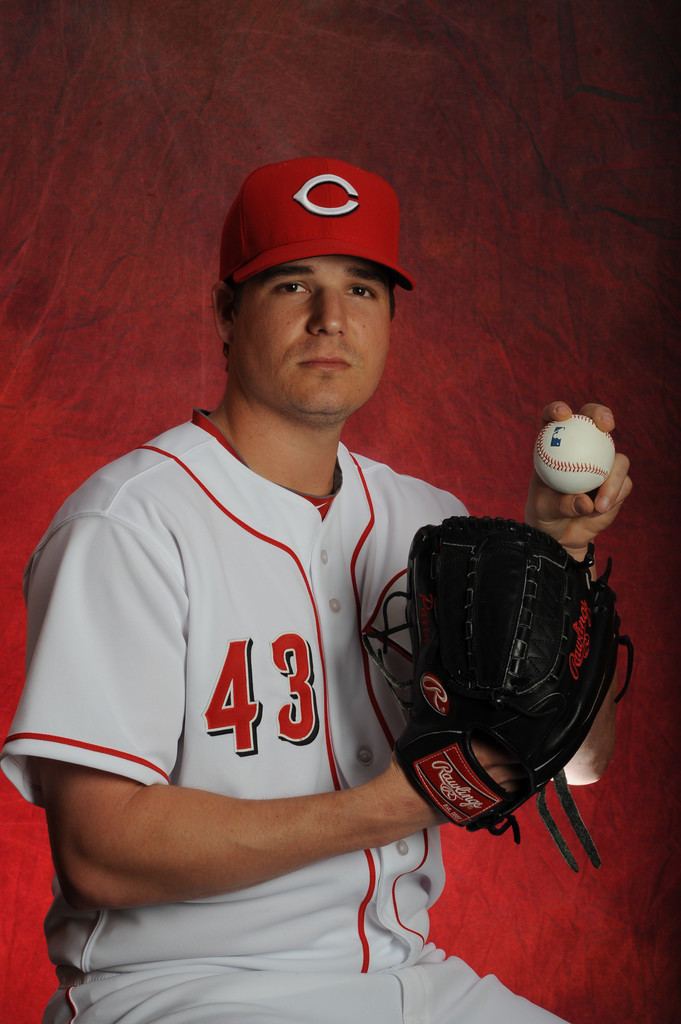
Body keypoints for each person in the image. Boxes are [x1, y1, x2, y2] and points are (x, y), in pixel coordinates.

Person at [1, 157, 631, 1024]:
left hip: (410, 978)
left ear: (391, 319)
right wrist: (405, 801)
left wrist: (559, 559)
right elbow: (99, 854)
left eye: (363, 289)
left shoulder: (433, 526)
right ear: (226, 313)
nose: (331, 319)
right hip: (181, 990)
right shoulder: (129, 523)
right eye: (293, 282)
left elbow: (580, 762)